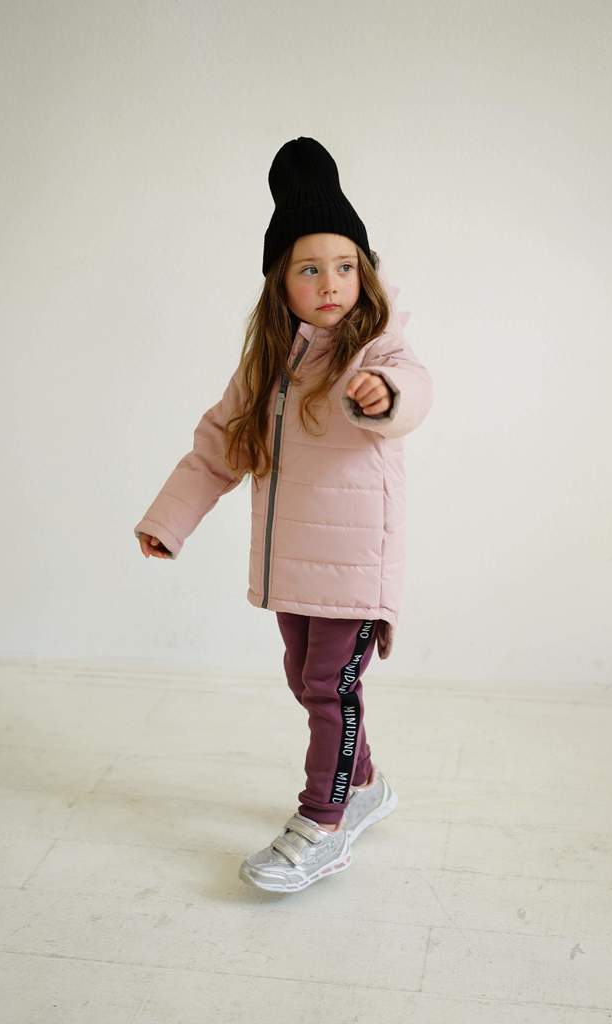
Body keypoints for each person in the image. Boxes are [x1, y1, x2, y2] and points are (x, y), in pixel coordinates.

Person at [133, 137, 434, 893]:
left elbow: (414, 391)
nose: (330, 283)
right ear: (280, 283)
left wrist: (385, 398)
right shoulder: (269, 364)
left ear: (365, 273)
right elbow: (220, 445)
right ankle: (363, 785)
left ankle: (323, 822)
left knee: (331, 686)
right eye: (309, 269)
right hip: (292, 563)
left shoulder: (377, 351)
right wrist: (170, 519)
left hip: (356, 562)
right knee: (308, 680)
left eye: (345, 266)